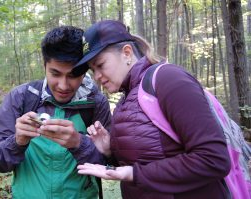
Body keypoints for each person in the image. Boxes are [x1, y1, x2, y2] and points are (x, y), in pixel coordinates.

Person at [76, 20, 231, 199]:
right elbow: (141, 161)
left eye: (100, 65)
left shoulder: (168, 79)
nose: (96, 76)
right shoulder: (125, 102)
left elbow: (213, 159)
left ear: (126, 53)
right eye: (92, 70)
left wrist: (135, 174)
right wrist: (110, 151)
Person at [0, 26, 111, 199]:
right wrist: (17, 142)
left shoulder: (95, 103)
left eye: (73, 75)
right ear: (44, 65)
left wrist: (79, 144)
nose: (63, 85)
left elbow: (109, 165)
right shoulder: (22, 97)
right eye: (55, 73)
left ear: (84, 71)